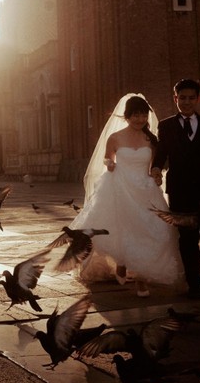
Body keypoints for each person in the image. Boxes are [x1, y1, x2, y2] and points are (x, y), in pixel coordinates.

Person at [70, 94, 184, 296]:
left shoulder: (151, 139)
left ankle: (141, 278)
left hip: (144, 188)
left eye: (143, 115)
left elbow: (154, 166)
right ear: (127, 116)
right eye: (135, 115)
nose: (140, 120)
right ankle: (122, 262)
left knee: (150, 230)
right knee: (121, 228)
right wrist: (110, 164)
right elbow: (106, 159)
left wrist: (156, 176)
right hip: (120, 186)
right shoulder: (115, 138)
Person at [150, 78, 200, 299]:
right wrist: (156, 168)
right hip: (179, 190)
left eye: (191, 98)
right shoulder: (166, 125)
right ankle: (194, 281)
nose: (186, 102)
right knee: (186, 238)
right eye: (182, 98)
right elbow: (161, 153)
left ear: (198, 99)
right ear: (175, 99)